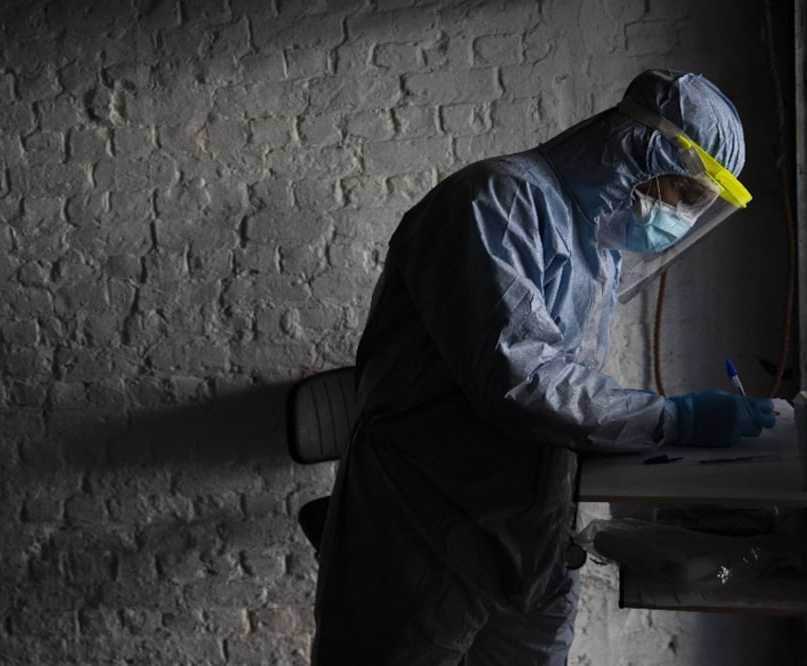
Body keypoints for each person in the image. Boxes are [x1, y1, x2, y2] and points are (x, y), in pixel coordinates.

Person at [311, 70, 777, 665]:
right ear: (636, 148)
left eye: (697, 204)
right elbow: (525, 382)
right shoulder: (492, 202)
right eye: (682, 192)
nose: (680, 214)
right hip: (422, 534)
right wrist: (674, 418)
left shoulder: (600, 245)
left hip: (533, 537)